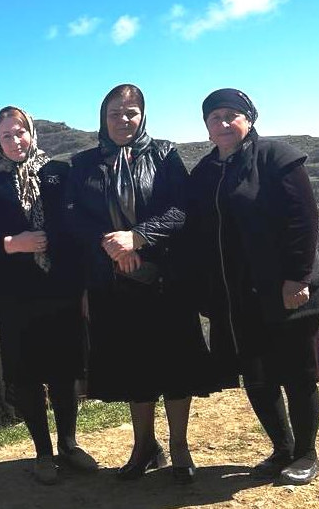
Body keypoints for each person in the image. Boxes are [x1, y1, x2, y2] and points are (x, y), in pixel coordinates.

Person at [65, 84, 215, 484]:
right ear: (103, 117)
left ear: (143, 115)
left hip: (166, 279)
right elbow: (74, 218)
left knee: (175, 363)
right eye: (115, 113)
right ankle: (144, 447)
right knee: (134, 365)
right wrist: (113, 245)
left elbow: (183, 209)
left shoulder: (164, 154)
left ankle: (180, 447)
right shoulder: (83, 164)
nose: (123, 119)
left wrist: (139, 237)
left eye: (131, 112)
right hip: (113, 281)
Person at [187, 88, 319, 485]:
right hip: (236, 295)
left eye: (231, 115)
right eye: (214, 117)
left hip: (287, 288)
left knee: (298, 374)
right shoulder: (204, 172)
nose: (222, 123)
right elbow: (196, 229)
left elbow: (304, 219)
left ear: (249, 119)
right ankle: (282, 448)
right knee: (258, 374)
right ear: (206, 127)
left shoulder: (276, 157)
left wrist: (298, 278)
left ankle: (306, 454)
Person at [0, 106, 97, 485]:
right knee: (27, 375)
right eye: (6, 136)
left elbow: (78, 230)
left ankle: (68, 444)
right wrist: (11, 243)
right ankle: (43, 453)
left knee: (64, 370)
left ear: (32, 132)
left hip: (61, 288)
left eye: (20, 132)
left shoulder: (59, 172)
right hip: (15, 295)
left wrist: (84, 286)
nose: (15, 141)